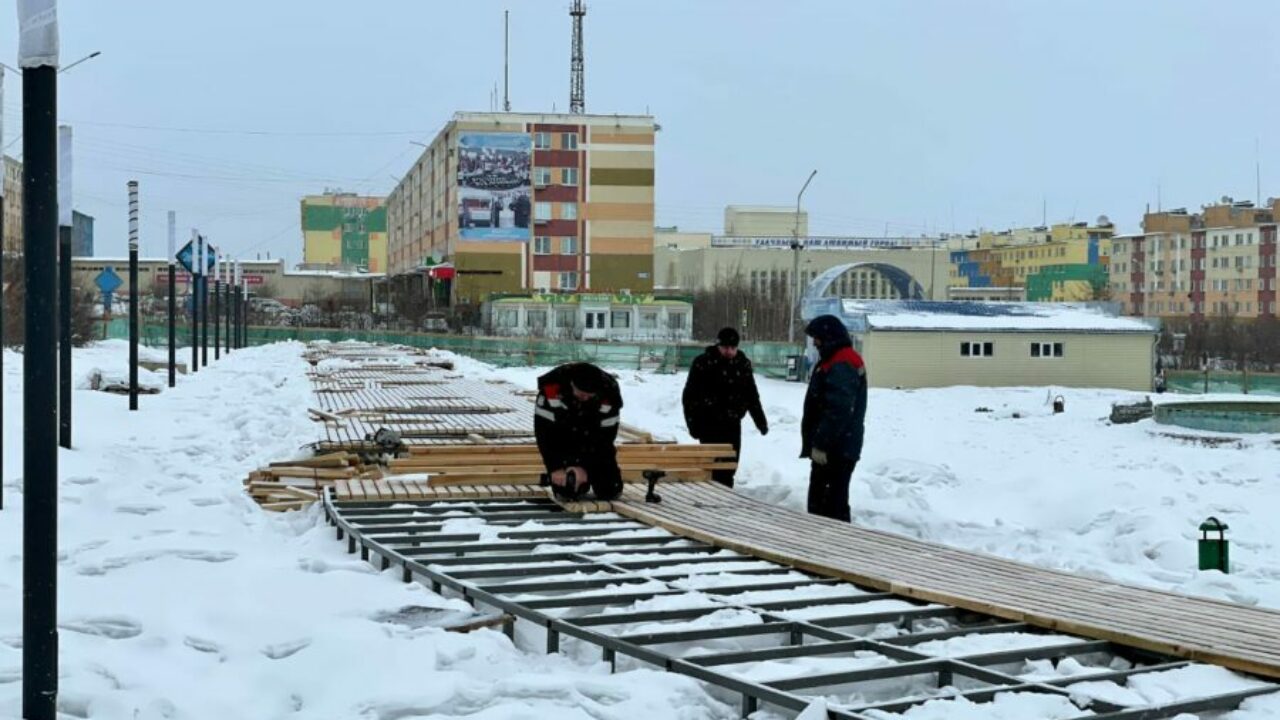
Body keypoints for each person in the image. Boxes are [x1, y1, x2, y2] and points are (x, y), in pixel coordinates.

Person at [800, 315, 867, 522]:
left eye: (817, 338)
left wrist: (821, 443)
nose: (815, 343)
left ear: (828, 337)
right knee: (827, 503)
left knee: (828, 507)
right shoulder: (834, 359)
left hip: (836, 450)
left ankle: (830, 549)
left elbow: (838, 410)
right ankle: (826, 546)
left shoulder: (842, 362)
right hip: (837, 447)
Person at [682, 327, 768, 487]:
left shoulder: (742, 364)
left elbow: (751, 394)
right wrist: (693, 425)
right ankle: (710, 497)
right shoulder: (703, 363)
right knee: (711, 467)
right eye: (725, 348)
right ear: (718, 346)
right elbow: (690, 396)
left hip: (732, 423)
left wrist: (760, 421)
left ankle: (726, 498)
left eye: (733, 348)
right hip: (708, 423)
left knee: (729, 466)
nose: (729, 351)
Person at [534, 362, 624, 501]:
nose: (585, 398)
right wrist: (555, 467)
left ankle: (594, 479)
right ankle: (575, 483)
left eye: (590, 395)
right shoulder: (550, 391)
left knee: (610, 491)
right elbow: (544, 435)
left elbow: (605, 440)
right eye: (582, 394)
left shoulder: (609, 397)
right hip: (562, 444)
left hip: (594, 447)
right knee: (567, 491)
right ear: (572, 384)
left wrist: (584, 465)